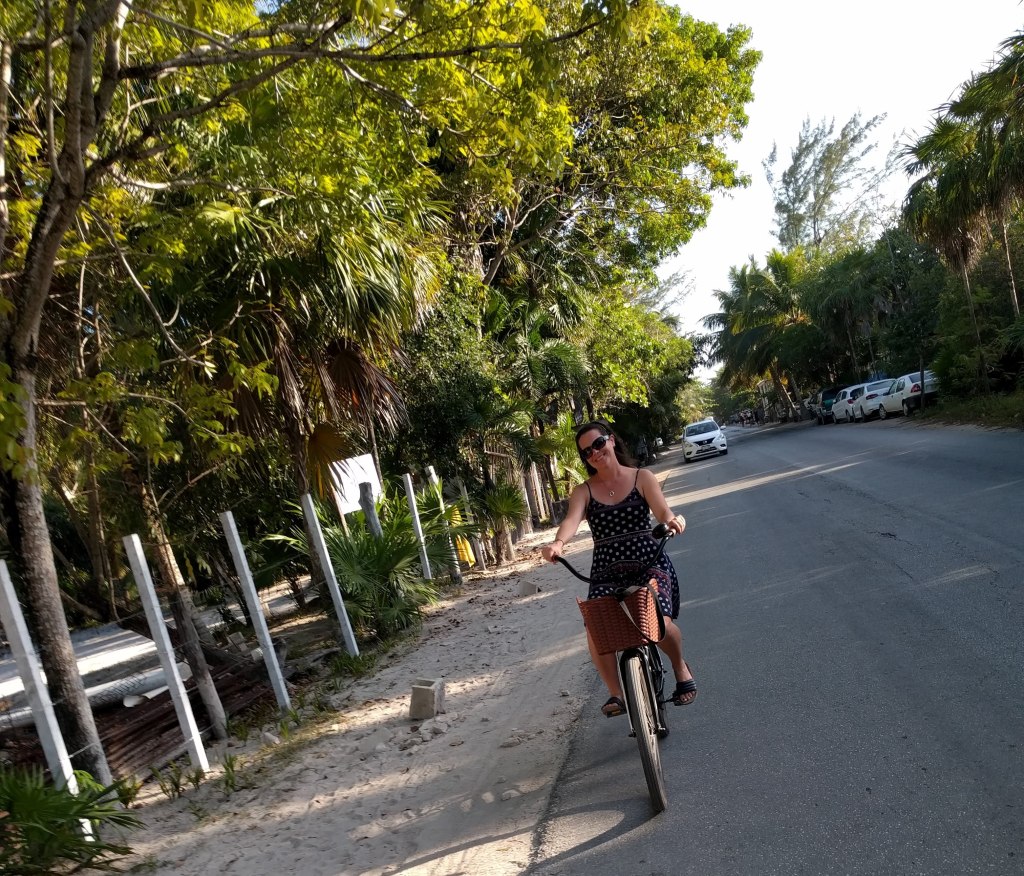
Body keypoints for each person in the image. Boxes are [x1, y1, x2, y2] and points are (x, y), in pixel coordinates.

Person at [541, 420, 697, 718]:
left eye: (598, 444)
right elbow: (571, 521)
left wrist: (674, 520)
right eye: (587, 452)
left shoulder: (642, 477)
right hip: (606, 568)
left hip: (648, 561)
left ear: (611, 441)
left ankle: (680, 667)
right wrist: (558, 543)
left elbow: (662, 511)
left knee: (657, 624)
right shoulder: (582, 491)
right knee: (596, 626)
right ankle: (616, 692)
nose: (595, 453)